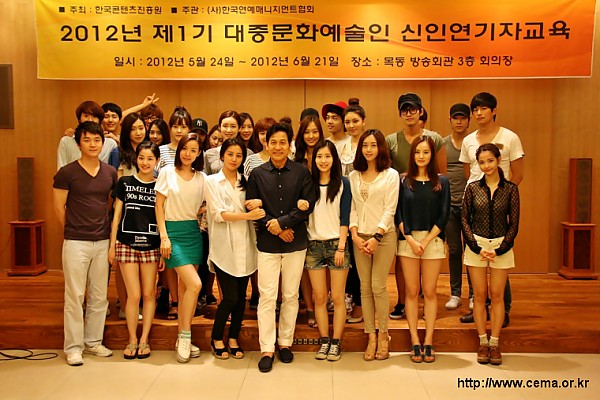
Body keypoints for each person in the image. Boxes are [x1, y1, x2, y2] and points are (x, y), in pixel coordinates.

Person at [247, 122, 317, 373]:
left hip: (295, 242)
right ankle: (267, 347)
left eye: (283, 142)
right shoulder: (257, 174)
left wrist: (284, 223)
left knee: (290, 295)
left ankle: (285, 343)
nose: (278, 147)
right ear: (266, 144)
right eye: (273, 142)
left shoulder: (301, 172)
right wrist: (275, 227)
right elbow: (252, 206)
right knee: (267, 296)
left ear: (290, 145)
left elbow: (308, 204)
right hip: (267, 243)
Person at [53, 121, 117, 366]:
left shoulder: (109, 172)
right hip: (75, 241)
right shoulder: (67, 172)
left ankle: (93, 341)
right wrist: (73, 230)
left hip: (102, 240)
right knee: (75, 295)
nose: (92, 144)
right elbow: (59, 207)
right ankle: (73, 347)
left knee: (99, 296)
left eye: (97, 140)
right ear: (78, 143)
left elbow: (110, 204)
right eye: (87, 140)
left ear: (103, 143)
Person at [459, 92, 525, 327]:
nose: (479, 113)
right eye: (475, 109)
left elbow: (518, 174)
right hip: (474, 204)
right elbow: (468, 174)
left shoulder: (510, 137)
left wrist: (501, 199)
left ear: (494, 110)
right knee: (474, 256)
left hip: (499, 205)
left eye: (483, 108)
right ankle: (477, 306)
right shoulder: (468, 140)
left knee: (500, 255)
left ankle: (502, 309)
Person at [386, 93, 446, 321]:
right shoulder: (392, 140)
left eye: (413, 109)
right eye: (404, 110)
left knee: (429, 261)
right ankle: (403, 301)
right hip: (403, 203)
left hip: (428, 203)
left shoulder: (434, 138)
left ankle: (425, 303)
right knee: (403, 257)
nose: (409, 113)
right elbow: (387, 173)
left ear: (421, 111)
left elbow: (441, 173)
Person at [205, 138, 265, 360]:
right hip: (223, 247)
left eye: (239, 155)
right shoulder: (211, 181)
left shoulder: (246, 181)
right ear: (222, 155)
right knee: (229, 297)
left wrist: (258, 206)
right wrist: (248, 216)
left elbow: (258, 204)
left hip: (246, 245)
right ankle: (216, 338)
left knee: (241, 299)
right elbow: (218, 214)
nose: (234, 159)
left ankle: (233, 338)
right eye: (230, 154)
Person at [462, 143, 520, 366]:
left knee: (497, 295)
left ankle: (495, 343)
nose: (486, 166)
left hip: (501, 246)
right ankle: (482, 342)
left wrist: (500, 248)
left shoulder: (511, 189)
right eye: (482, 162)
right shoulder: (472, 188)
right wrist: (476, 247)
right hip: (476, 245)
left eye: (490, 161)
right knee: (479, 295)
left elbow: (514, 224)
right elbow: (465, 220)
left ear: (498, 160)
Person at [396, 136, 450, 363]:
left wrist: (426, 241)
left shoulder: (442, 181)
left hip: (433, 240)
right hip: (408, 240)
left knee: (429, 291)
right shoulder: (404, 180)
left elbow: (444, 214)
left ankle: (428, 340)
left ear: (432, 155)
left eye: (426, 152)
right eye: (417, 152)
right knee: (411, 291)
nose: (421, 156)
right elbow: (398, 213)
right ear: (412, 154)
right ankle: (414, 340)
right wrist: (410, 239)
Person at [108, 141, 162, 359]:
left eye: (150, 158)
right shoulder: (125, 182)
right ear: (136, 159)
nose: (145, 162)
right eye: (141, 158)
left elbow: (163, 217)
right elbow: (116, 216)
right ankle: (132, 339)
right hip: (126, 244)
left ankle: (144, 339)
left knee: (149, 294)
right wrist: (112, 246)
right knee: (134, 295)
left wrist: (163, 247)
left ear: (157, 161)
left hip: (152, 246)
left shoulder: (160, 185)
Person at [155, 134, 206, 363]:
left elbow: (207, 204)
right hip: (172, 234)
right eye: (185, 148)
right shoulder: (167, 172)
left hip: (193, 232)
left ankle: (182, 337)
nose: (188, 153)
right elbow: (158, 206)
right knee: (196, 284)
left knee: (187, 290)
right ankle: (185, 337)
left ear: (198, 154)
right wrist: (163, 237)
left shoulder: (202, 178)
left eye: (193, 150)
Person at [349, 129, 399, 361]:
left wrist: (377, 237)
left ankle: (384, 335)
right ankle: (371, 336)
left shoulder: (391, 175)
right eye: (365, 145)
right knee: (364, 287)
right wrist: (354, 234)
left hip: (384, 237)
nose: (368, 150)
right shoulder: (353, 175)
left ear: (380, 148)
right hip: (360, 237)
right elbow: (352, 208)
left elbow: (390, 209)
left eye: (373, 145)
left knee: (378, 286)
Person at [306, 141, 351, 361]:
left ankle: (336, 342)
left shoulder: (343, 183)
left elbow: (345, 217)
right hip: (313, 245)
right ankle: (324, 341)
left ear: (334, 159)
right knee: (320, 297)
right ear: (313, 160)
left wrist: (341, 247)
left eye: (327, 156)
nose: (323, 161)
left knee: (338, 297)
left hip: (337, 245)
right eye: (319, 157)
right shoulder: (308, 184)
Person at [157, 107, 194, 321]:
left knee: (187, 267)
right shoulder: (161, 151)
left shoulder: (193, 149)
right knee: (169, 263)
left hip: (189, 219)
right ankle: (173, 300)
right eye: (175, 126)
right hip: (166, 215)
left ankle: (184, 305)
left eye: (183, 126)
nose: (179, 130)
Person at [293, 114, 325, 327]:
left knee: (323, 264)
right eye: (307, 132)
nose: (311, 136)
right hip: (302, 217)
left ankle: (323, 300)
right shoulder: (296, 159)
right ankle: (310, 307)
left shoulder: (327, 153)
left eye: (315, 131)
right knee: (305, 265)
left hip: (325, 214)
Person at [443, 103, 471, 310]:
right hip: (449, 205)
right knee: (454, 251)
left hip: (471, 206)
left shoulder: (473, 143)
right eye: (455, 118)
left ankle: (474, 294)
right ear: (450, 120)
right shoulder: (443, 144)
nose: (459, 122)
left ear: (469, 121)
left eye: (463, 118)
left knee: (472, 252)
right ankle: (455, 294)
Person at [342, 98, 367, 323]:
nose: (351, 125)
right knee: (347, 256)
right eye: (348, 122)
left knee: (361, 261)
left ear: (363, 121)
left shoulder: (369, 144)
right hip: (343, 206)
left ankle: (361, 304)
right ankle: (349, 298)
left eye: (355, 121)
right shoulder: (341, 147)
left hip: (364, 208)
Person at [57, 101, 118, 169]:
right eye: (86, 116)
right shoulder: (66, 141)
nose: (90, 120)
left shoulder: (110, 143)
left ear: (100, 120)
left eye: (94, 116)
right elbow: (61, 168)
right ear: (79, 119)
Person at [205, 111, 242, 175]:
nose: (228, 130)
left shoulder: (249, 154)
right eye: (225, 126)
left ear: (239, 128)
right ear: (219, 127)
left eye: (233, 126)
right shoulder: (209, 154)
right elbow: (206, 177)